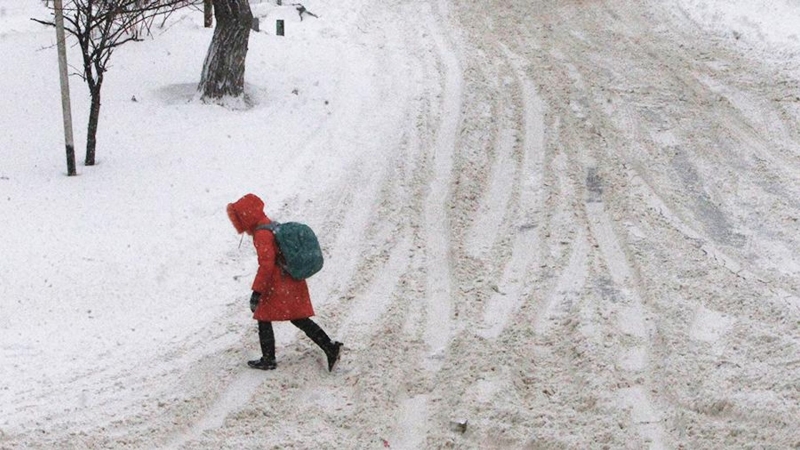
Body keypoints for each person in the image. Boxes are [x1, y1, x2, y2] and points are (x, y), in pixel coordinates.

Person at [227, 193, 342, 371]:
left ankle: (268, 358)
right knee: (298, 318)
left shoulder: (262, 234)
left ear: (246, 216)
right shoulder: (269, 225)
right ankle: (329, 346)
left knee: (264, 317)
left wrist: (257, 291)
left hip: (278, 284)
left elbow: (266, 265)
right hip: (290, 280)